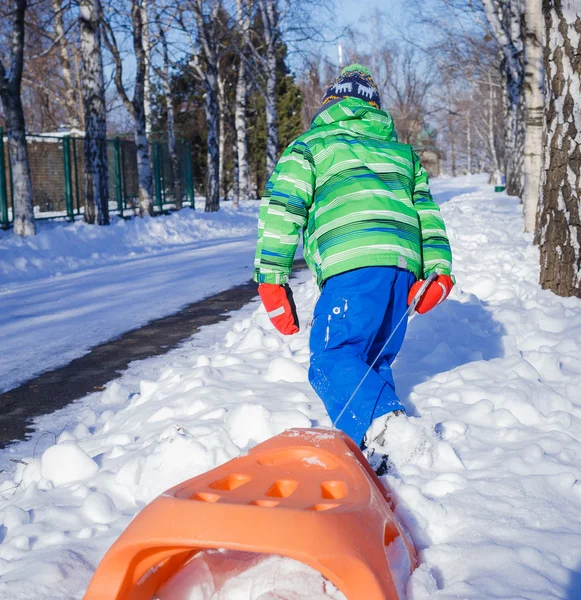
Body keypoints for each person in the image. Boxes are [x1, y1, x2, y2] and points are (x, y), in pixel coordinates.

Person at [253, 64, 454, 472]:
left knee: (331, 356)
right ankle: (387, 455)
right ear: (375, 109)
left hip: (351, 266)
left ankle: (388, 429)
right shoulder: (403, 154)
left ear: (331, 103)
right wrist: (438, 271)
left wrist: (271, 279)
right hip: (401, 272)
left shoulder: (311, 146)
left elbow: (283, 209)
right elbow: (427, 215)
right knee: (372, 360)